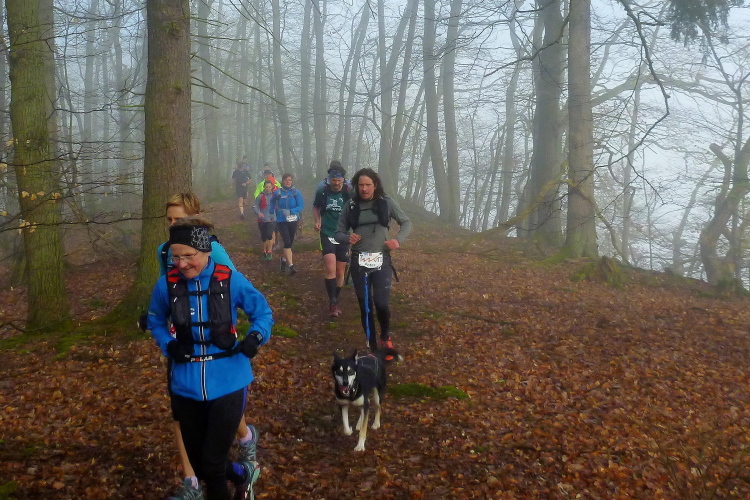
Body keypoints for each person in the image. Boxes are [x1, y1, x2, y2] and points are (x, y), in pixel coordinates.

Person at [148, 218, 273, 500]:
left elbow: (263, 313)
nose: (181, 264)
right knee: (201, 463)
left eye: (188, 256)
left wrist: (255, 337)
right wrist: (169, 344)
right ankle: (243, 475)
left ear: (205, 251)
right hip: (185, 383)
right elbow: (155, 321)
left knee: (213, 464)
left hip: (229, 379)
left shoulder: (231, 280)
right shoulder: (165, 286)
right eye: (175, 257)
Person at [335, 168, 411, 358]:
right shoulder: (351, 206)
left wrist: (398, 240)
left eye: (368, 185)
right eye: (361, 185)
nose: (364, 189)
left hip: (381, 260)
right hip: (359, 262)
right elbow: (338, 233)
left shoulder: (386, 202)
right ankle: (373, 348)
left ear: (375, 185)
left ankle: (385, 336)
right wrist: (347, 237)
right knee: (365, 305)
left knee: (381, 303)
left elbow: (406, 222)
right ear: (356, 186)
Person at [313, 161, 351, 317]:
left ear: (343, 180)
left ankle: (336, 297)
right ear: (329, 179)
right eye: (333, 180)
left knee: (340, 272)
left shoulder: (348, 192)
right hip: (327, 232)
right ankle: (333, 302)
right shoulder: (323, 191)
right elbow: (316, 207)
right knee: (331, 268)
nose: (336, 183)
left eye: (338, 180)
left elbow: (356, 210)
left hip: (343, 234)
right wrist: (317, 221)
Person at [272, 173, 304, 275]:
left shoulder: (296, 192)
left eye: (289, 180)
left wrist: (291, 211)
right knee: (286, 241)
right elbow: (272, 202)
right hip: (281, 220)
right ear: (282, 181)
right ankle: (291, 266)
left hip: (293, 219)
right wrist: (272, 212)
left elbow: (301, 205)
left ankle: (284, 259)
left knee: (290, 242)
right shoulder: (277, 192)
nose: (288, 182)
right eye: (286, 180)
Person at [253, 180, 277, 261]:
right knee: (263, 236)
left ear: (272, 187)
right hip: (262, 220)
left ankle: (269, 251)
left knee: (269, 235)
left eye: (269, 187)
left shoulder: (274, 196)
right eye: (266, 187)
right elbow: (255, 206)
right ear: (264, 187)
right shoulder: (260, 196)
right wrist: (259, 213)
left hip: (272, 219)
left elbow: (279, 205)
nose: (268, 188)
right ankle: (264, 251)